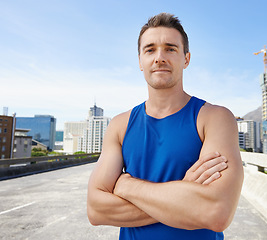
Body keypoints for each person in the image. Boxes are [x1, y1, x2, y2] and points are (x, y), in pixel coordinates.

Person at [87, 13, 244, 240]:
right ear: (140, 61)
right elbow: (96, 209)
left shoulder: (214, 118)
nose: (160, 57)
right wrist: (183, 194)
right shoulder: (120, 125)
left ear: (186, 59)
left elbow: (216, 212)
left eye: (170, 48)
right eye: (150, 49)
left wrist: (126, 186)